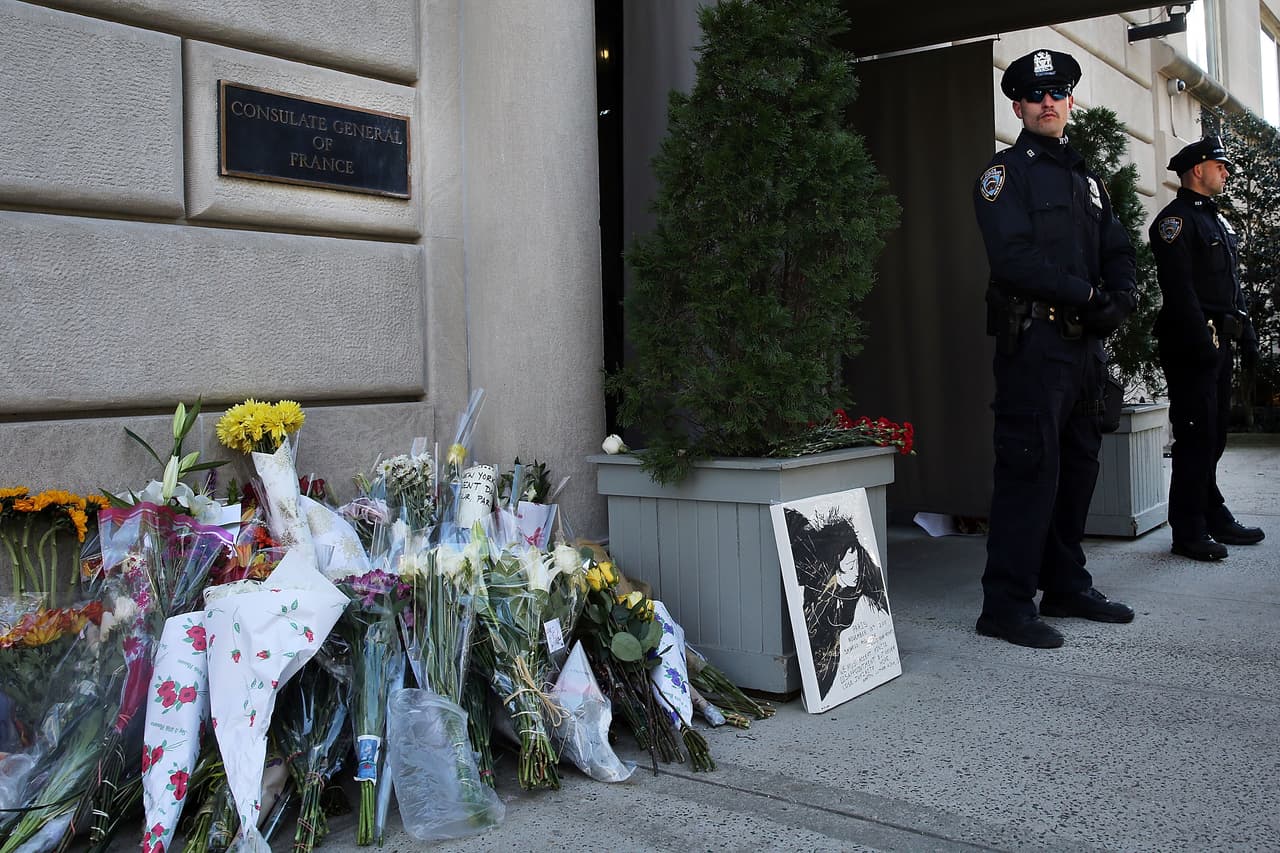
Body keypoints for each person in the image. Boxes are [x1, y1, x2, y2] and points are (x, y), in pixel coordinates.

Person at [971, 49, 1138, 649]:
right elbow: (1012, 258)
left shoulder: (1088, 181)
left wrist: (1122, 296)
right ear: (1017, 106)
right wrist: (1088, 294)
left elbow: (1118, 246)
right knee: (1029, 469)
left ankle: (1066, 584)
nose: (1048, 103)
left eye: (1058, 94)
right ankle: (1006, 603)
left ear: (1070, 102)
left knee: (1080, 468)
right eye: (1036, 96)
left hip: (1085, 349)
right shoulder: (1004, 175)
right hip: (1035, 344)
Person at [1150, 136, 1265, 561]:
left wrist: (1247, 335)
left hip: (1220, 343)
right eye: (1220, 165)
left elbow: (1230, 286)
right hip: (1192, 345)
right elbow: (1180, 292)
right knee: (1196, 437)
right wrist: (1204, 344)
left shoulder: (1216, 220)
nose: (1226, 172)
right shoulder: (1174, 222)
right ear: (1197, 169)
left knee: (1214, 436)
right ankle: (1189, 529)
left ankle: (1211, 512)